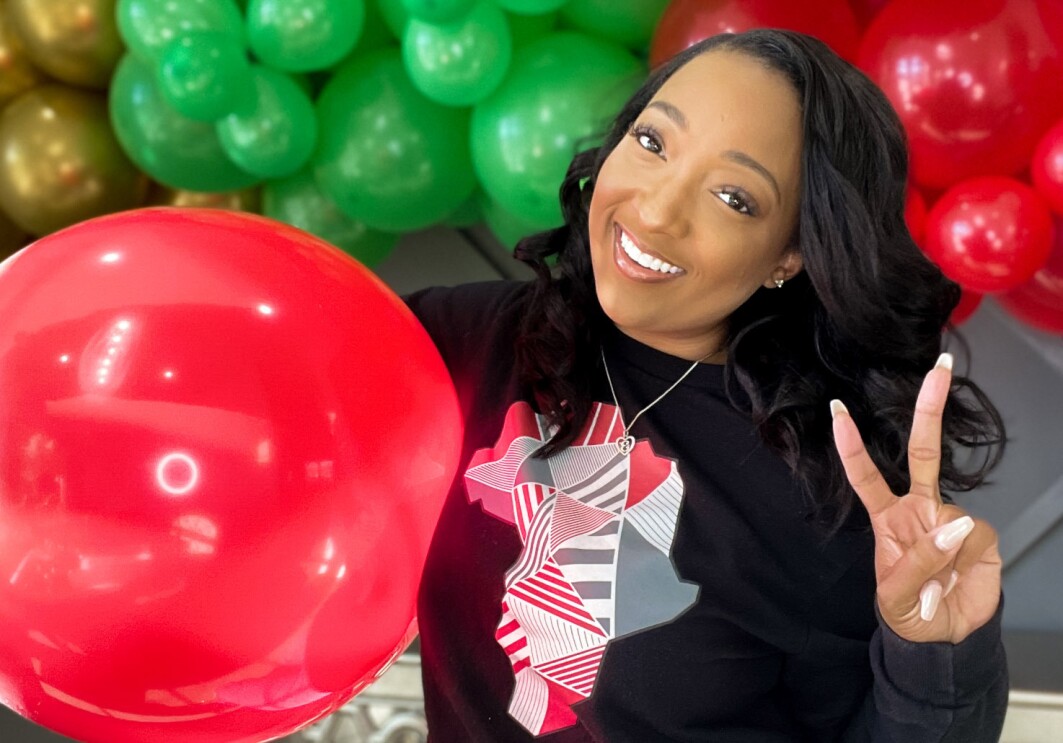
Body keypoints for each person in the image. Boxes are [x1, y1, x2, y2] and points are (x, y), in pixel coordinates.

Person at [403, 28, 1008, 742]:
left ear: (790, 254)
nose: (656, 211)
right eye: (653, 143)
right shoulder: (463, 343)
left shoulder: (827, 499)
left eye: (732, 196)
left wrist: (937, 661)